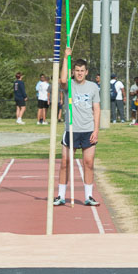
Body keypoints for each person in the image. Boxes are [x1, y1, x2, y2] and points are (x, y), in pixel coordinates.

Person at [54, 52, 102, 207]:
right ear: (73, 71)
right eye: (77, 70)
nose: (79, 73)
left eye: (82, 71)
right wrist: (66, 58)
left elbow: (97, 109)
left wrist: (96, 130)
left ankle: (89, 196)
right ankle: (61, 195)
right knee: (65, 162)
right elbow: (61, 80)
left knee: (88, 163)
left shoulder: (93, 87)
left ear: (86, 72)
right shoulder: (69, 85)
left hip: (88, 130)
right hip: (71, 130)